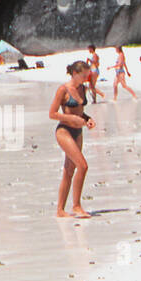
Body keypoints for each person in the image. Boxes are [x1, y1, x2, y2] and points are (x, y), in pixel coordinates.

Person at [49, 60, 96, 218]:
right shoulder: (63, 90)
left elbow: (80, 112)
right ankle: (76, 206)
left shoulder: (83, 88)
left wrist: (87, 119)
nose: (86, 78)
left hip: (78, 132)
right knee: (82, 166)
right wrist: (72, 119)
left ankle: (60, 210)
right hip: (64, 131)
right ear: (75, 74)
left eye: (87, 75)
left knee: (69, 171)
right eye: (83, 75)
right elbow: (52, 114)